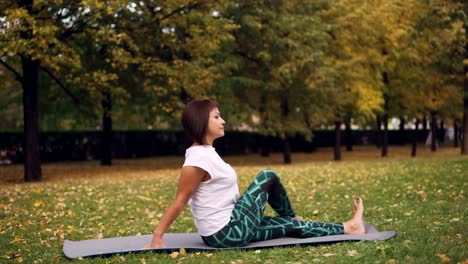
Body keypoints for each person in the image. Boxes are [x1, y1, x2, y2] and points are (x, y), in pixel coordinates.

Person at [145, 99, 365, 248]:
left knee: (289, 226)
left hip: (234, 226)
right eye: (216, 117)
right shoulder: (197, 160)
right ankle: (291, 215)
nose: (223, 121)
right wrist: (157, 235)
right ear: (201, 122)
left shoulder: (207, 153)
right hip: (226, 233)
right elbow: (180, 201)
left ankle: (349, 227)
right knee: (267, 176)